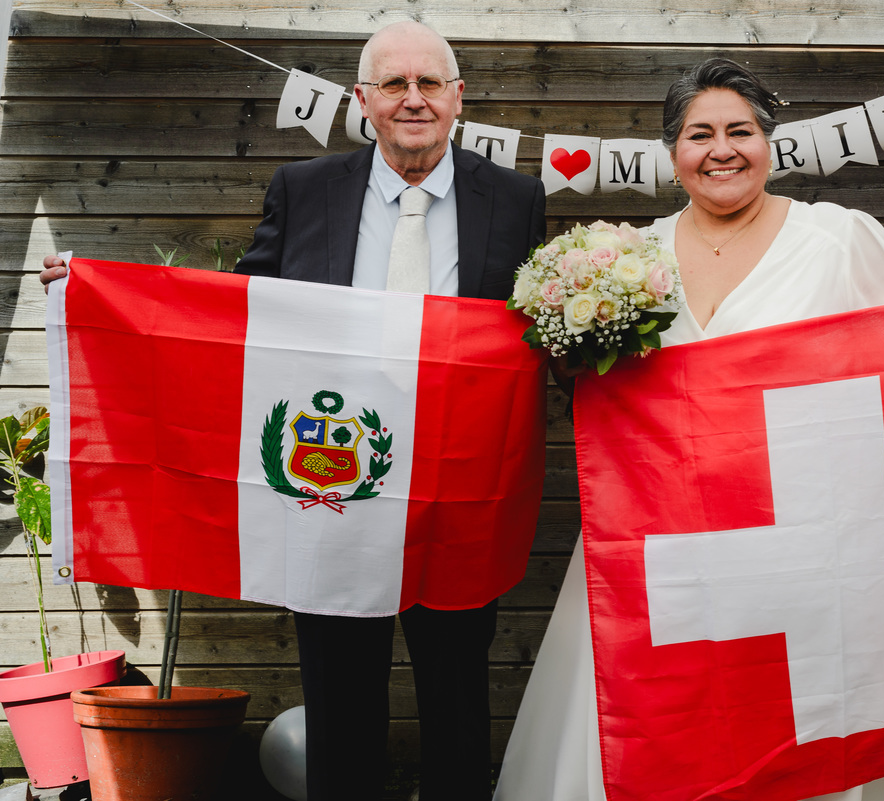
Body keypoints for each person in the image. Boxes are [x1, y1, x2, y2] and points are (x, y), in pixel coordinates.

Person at [493, 57, 884, 801]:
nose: (721, 149)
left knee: (799, 721)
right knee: (657, 714)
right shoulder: (624, 258)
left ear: (768, 142)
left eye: (740, 130)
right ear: (671, 151)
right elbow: (596, 395)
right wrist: (564, 352)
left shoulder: (838, 237)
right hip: (666, 547)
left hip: (804, 545)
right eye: (699, 133)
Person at [42, 20, 545, 801]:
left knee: (458, 695)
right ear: (362, 101)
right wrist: (93, 294)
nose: (413, 99)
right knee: (341, 701)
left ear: (458, 98)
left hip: (460, 487)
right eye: (393, 85)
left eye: (429, 84)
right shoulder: (303, 192)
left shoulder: (514, 198)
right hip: (335, 484)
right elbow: (233, 323)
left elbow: (531, 334)